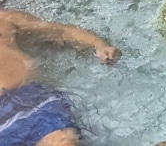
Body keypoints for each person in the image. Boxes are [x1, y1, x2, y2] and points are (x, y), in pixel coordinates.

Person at [0, 10, 119, 146]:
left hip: (32, 98)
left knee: (62, 142)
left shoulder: (6, 19)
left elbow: (63, 32)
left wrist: (99, 45)